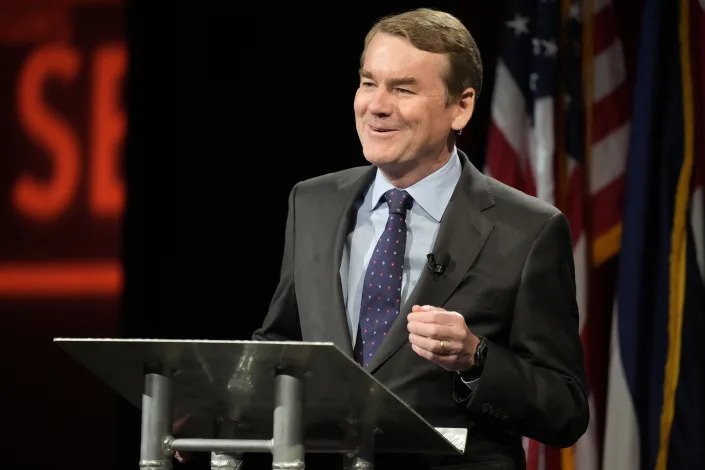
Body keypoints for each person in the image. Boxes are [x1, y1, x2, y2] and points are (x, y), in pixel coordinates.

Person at [253, 7, 588, 470]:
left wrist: (475, 358)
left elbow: (565, 409)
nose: (376, 105)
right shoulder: (312, 203)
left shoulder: (528, 230)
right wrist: (215, 410)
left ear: (461, 106)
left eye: (403, 89)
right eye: (369, 82)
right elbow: (281, 342)